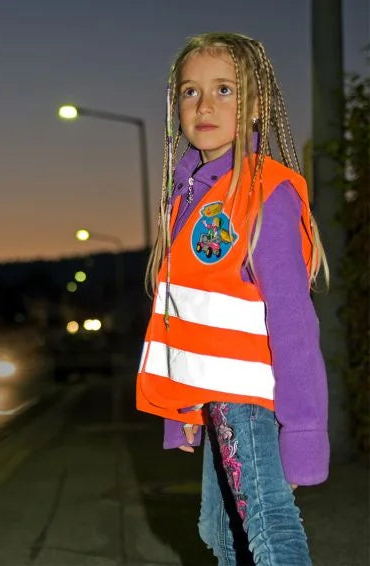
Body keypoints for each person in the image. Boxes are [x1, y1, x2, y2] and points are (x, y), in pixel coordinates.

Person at [135, 33, 329, 565]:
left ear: (257, 105)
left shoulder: (267, 192)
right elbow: (186, 318)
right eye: (190, 92)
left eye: (225, 89)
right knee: (221, 536)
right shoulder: (188, 198)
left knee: (270, 533)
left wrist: (305, 432)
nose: (205, 105)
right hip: (216, 397)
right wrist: (183, 412)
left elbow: (293, 323)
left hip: (251, 400)